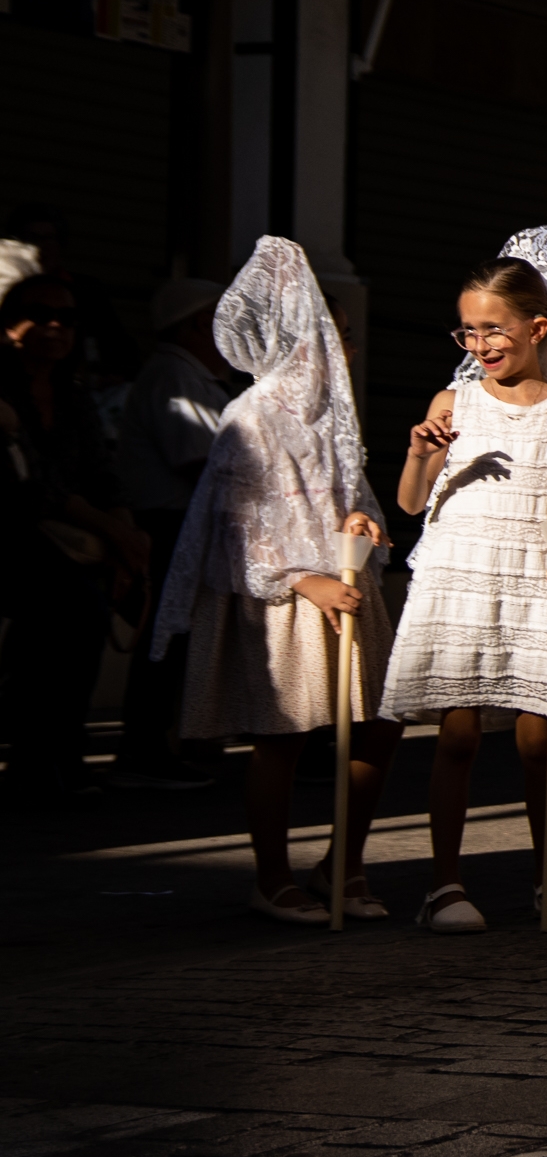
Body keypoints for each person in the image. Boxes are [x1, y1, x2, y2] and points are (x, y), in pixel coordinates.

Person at [150, 238, 406, 922]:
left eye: (346, 338)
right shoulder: (252, 415)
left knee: (380, 725)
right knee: (284, 736)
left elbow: (349, 489)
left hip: (347, 587)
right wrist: (303, 580)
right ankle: (270, 875)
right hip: (289, 598)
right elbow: (238, 527)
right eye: (332, 335)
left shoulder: (332, 414)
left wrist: (361, 520)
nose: (342, 352)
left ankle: (341, 864)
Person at [384, 232, 547, 932]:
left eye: (494, 329)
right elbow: (412, 503)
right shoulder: (454, 403)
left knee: (540, 737)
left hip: (535, 572)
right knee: (458, 733)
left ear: (537, 328)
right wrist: (421, 457)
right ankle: (444, 885)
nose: (480, 343)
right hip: (464, 571)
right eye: (469, 330)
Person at [0, 270, 145, 806]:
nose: (55, 327)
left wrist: (126, 532)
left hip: (69, 541)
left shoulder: (74, 393)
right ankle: (37, 758)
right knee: (65, 609)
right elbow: (31, 486)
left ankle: (58, 754)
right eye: (40, 314)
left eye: (66, 318)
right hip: (19, 535)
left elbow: (102, 472)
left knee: (80, 619)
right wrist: (109, 529)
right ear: (9, 323)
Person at [114, 274, 233, 790]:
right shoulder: (173, 376)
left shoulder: (191, 377)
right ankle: (143, 748)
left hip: (184, 526)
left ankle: (166, 739)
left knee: (178, 637)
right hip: (168, 526)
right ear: (196, 326)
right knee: (164, 637)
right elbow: (200, 459)